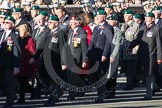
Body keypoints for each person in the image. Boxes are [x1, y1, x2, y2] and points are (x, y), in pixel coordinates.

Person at [128, 12, 162, 100]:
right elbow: (137, 40)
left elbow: (159, 44)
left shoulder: (156, 29)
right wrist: (130, 47)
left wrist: (159, 57)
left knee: (150, 75)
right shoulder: (142, 28)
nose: (146, 19)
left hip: (151, 56)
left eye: (148, 18)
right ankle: (154, 86)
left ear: (153, 19)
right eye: (146, 17)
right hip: (141, 55)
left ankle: (149, 93)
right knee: (139, 74)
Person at [87, 9, 113, 102]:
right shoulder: (96, 28)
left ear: (104, 17)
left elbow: (108, 43)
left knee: (101, 75)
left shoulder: (108, 27)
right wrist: (88, 54)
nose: (96, 18)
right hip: (94, 55)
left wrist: (105, 54)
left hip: (102, 56)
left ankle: (100, 95)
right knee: (93, 75)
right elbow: (92, 43)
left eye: (98, 16)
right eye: (96, 16)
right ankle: (101, 92)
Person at [62, 16, 88, 101]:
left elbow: (84, 48)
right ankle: (83, 87)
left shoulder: (82, 32)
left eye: (72, 23)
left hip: (77, 58)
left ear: (77, 23)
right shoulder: (70, 31)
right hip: (69, 57)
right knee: (70, 76)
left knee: (72, 78)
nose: (70, 25)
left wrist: (84, 60)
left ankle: (71, 95)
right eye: (70, 23)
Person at [0, 15, 21, 108]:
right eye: (4, 22)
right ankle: (12, 96)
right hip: (0, 62)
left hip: (9, 63)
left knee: (8, 83)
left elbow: (16, 51)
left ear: (12, 24)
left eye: (7, 22)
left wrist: (16, 66)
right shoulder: (1, 33)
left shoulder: (14, 36)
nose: (5, 24)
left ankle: (9, 101)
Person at [16, 24, 36, 103]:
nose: (20, 32)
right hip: (20, 62)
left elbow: (32, 51)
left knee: (23, 81)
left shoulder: (30, 39)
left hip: (26, 63)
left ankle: (22, 98)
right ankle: (33, 91)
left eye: (21, 31)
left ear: (26, 31)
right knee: (20, 80)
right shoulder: (19, 39)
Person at [121, 9, 140, 90]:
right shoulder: (123, 25)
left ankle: (130, 84)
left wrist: (134, 51)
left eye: (126, 16)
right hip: (123, 50)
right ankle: (132, 81)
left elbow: (137, 39)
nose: (125, 18)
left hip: (131, 51)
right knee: (125, 68)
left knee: (130, 69)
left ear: (131, 16)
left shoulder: (136, 26)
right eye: (124, 16)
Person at [106, 15, 124, 98]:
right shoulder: (106, 29)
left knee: (112, 74)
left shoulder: (117, 31)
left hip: (113, 54)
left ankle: (111, 92)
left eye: (111, 20)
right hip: (106, 54)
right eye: (108, 20)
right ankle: (106, 91)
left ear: (115, 22)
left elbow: (117, 45)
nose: (109, 22)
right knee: (106, 74)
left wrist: (113, 55)